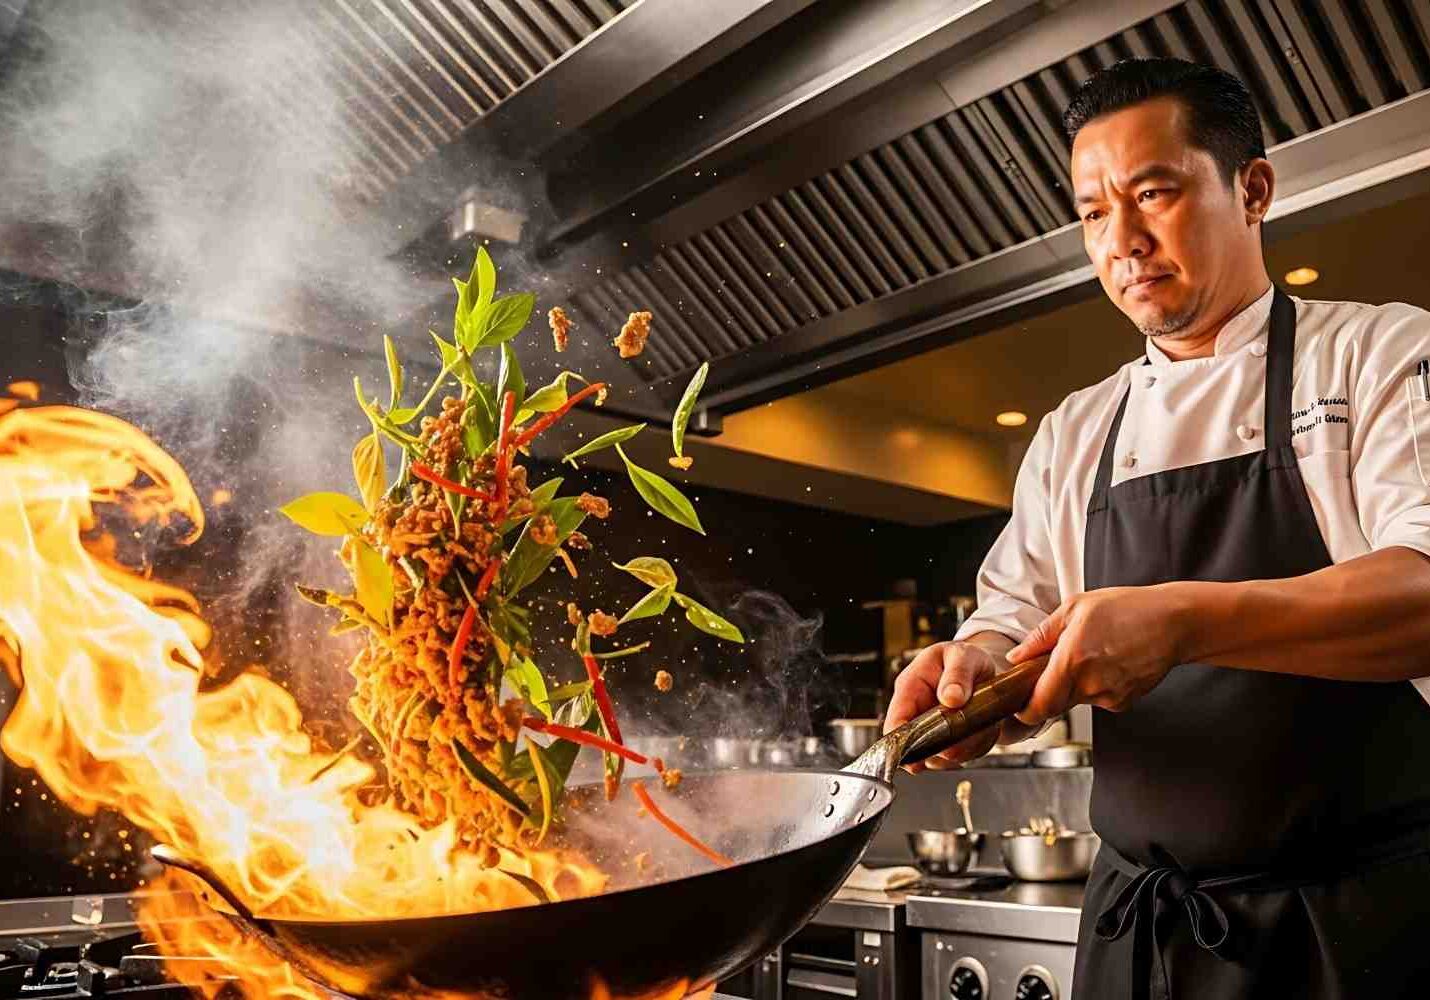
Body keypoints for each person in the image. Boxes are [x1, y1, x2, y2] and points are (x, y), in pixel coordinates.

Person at [884, 57, 1430, 998]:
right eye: (1094, 212)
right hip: (1137, 933)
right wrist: (974, 670)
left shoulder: (1379, 355)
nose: (1122, 241)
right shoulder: (1075, 431)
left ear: (1252, 190)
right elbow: (1014, 617)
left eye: (1152, 194)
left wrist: (1179, 622)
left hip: (1354, 930)